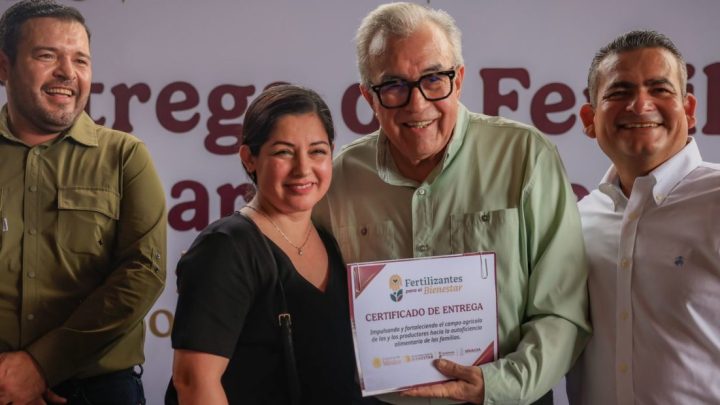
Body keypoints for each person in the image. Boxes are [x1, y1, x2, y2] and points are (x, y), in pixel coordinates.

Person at [313, 2, 590, 404]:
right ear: (369, 97)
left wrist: (498, 385)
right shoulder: (339, 180)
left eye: (433, 79)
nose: (417, 104)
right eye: (393, 86)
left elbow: (562, 310)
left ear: (458, 79)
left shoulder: (525, 156)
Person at [0, 1, 166, 404]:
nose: (67, 73)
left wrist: (39, 366)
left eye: (80, 60)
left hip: (101, 392)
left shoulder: (125, 156)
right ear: (4, 67)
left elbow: (143, 273)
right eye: (47, 56)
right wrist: (8, 377)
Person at [168, 85, 365, 404]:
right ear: (249, 158)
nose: (303, 168)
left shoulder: (328, 239)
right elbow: (193, 381)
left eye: (317, 151)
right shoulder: (226, 247)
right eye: (284, 152)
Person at [566, 30, 720, 404]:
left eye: (659, 89)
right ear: (589, 119)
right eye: (619, 93)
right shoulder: (577, 220)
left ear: (689, 110)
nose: (640, 105)